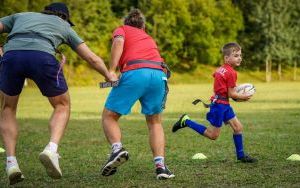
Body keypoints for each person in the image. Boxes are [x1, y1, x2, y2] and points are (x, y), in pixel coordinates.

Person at [0, 2, 117, 185]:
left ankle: (11, 162)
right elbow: (91, 58)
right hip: (42, 56)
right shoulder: (63, 25)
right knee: (62, 105)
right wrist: (108, 75)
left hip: (11, 56)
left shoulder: (20, 16)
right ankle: (51, 149)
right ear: (64, 17)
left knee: (8, 107)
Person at [100, 9, 174, 180]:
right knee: (155, 122)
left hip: (135, 72)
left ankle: (117, 149)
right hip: (158, 74)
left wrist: (111, 70)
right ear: (143, 26)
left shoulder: (122, 29)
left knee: (109, 116)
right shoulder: (147, 36)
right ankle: (161, 167)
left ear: (126, 23)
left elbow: (118, 43)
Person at [172, 42, 257, 163]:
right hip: (219, 106)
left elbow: (221, 80)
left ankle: (241, 156)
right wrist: (243, 96)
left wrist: (235, 89)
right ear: (226, 58)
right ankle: (186, 121)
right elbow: (232, 94)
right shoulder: (232, 72)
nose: (240, 58)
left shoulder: (221, 69)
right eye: (236, 55)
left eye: (240, 55)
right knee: (213, 135)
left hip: (223, 103)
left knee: (238, 127)